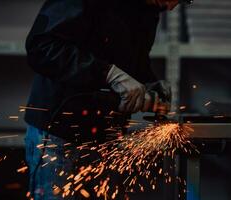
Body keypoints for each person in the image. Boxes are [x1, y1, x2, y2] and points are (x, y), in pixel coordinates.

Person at [24, 0, 178, 199]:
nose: (172, 6)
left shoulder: (149, 7)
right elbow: (41, 47)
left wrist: (149, 82)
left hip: (105, 134)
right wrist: (107, 74)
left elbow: (129, 58)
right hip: (59, 131)